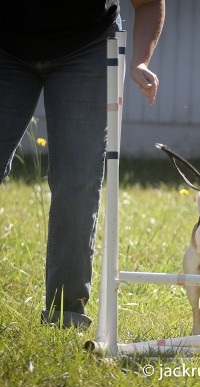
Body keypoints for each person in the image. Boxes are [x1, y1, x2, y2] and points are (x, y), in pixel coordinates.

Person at [0, 0, 166, 328]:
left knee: (77, 180)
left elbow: (147, 3)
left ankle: (66, 313)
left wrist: (140, 61)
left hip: (86, 48)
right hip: (6, 47)